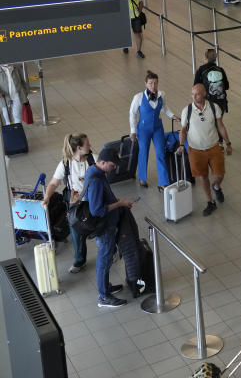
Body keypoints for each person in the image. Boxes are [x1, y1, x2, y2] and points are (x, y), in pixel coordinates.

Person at [84, 144, 136, 308]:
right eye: (112, 165)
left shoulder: (95, 171)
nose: (114, 168)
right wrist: (119, 203)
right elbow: (97, 210)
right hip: (105, 227)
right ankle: (103, 297)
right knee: (104, 261)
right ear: (104, 162)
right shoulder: (96, 180)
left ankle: (105, 287)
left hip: (108, 225)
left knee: (106, 258)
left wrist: (117, 202)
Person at [41, 133, 95, 274]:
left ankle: (111, 249)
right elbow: (54, 183)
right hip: (74, 201)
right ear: (79, 148)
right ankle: (79, 261)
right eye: (87, 144)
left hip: (92, 198)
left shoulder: (93, 159)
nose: (90, 145)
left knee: (99, 226)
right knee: (76, 231)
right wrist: (47, 196)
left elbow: (105, 175)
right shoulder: (65, 164)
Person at [179, 83, 232, 217]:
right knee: (203, 176)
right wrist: (181, 144)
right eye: (192, 94)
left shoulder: (214, 107)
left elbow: (220, 126)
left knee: (220, 174)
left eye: (196, 94)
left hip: (214, 147)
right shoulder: (187, 110)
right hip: (196, 150)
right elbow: (183, 130)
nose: (194, 96)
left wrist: (228, 143)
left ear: (204, 94)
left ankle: (217, 186)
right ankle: (210, 201)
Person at [129, 71, 178, 189]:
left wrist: (172, 116)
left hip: (157, 128)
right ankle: (142, 177)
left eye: (155, 83)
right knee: (143, 152)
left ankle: (163, 181)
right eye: (150, 83)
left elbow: (164, 108)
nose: (153, 86)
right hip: (143, 129)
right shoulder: (138, 97)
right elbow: (132, 113)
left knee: (161, 152)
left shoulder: (162, 94)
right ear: (145, 84)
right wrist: (133, 130)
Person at [194, 48, 230, 113]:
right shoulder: (220, 70)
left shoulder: (201, 70)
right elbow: (226, 86)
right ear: (215, 59)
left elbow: (195, 87)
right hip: (220, 102)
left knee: (209, 122)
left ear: (205, 58)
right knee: (218, 121)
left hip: (207, 102)